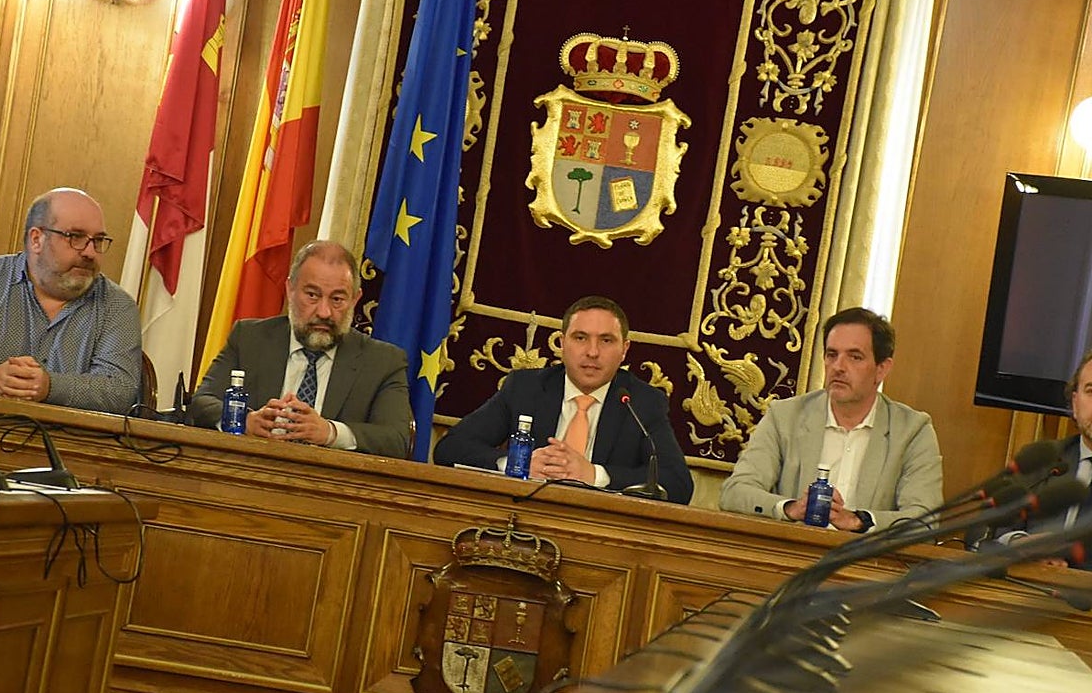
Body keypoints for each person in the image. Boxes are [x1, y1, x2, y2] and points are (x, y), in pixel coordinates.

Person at [433, 295, 694, 504]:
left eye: (606, 340)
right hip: (522, 516)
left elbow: (678, 484)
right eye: (580, 338)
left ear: (624, 350)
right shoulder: (525, 387)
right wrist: (517, 464)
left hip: (598, 534)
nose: (592, 352)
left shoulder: (642, 402)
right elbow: (450, 448)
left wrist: (593, 474)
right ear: (562, 343)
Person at [719, 306, 943, 531]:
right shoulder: (785, 416)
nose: (838, 367)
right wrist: (789, 509)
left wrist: (859, 521)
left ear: (882, 369)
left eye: (855, 357)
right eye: (832, 355)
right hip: (790, 556)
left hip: (864, 562)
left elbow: (926, 520)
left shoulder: (913, 430)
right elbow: (735, 492)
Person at [189, 240, 412, 458]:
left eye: (337, 299)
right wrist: (243, 420)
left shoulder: (384, 361)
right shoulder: (250, 338)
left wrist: (330, 432)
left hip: (332, 488)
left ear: (355, 299)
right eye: (312, 295)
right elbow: (202, 402)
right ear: (290, 289)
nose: (324, 312)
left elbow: (397, 439)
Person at [0, 187, 142, 414]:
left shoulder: (118, 306)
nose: (90, 252)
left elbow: (120, 389)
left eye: (98, 240)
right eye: (76, 237)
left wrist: (49, 387)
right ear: (36, 239)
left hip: (69, 444)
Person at [996, 350, 1092, 569]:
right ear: (1075, 403)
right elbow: (984, 530)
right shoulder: (1044, 461)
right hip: (1026, 592)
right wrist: (1021, 544)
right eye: (1091, 391)